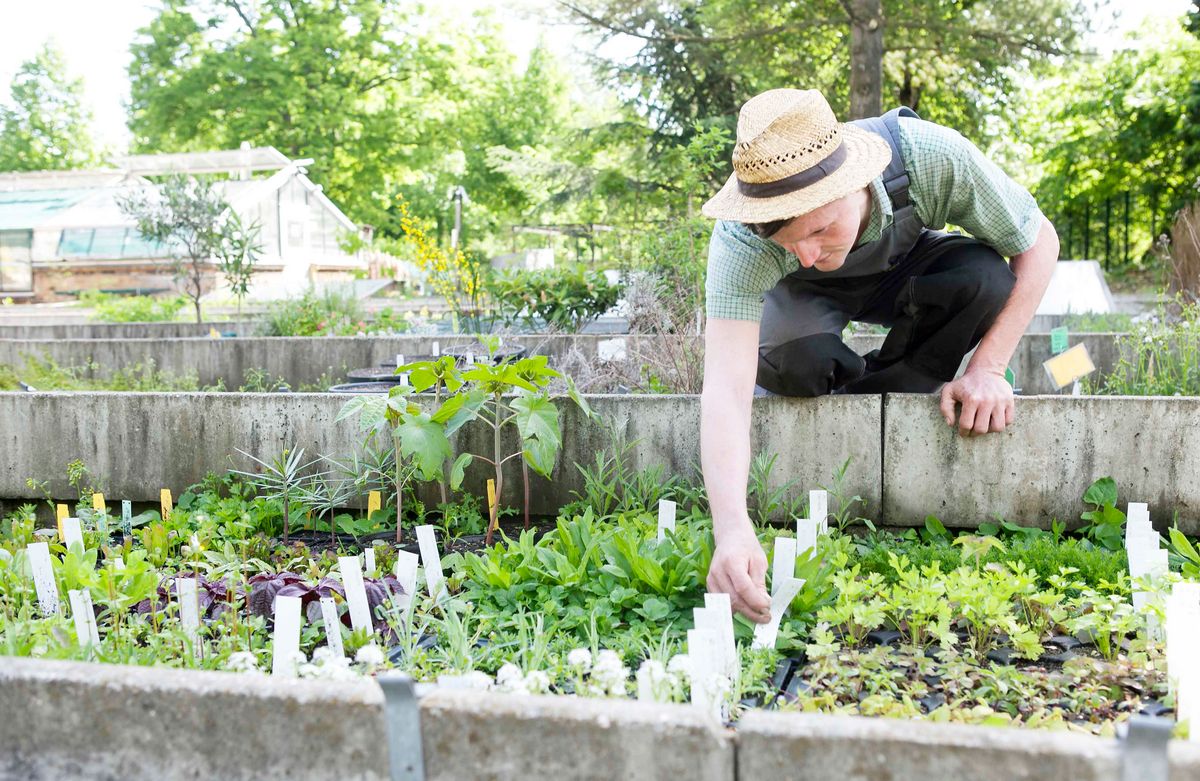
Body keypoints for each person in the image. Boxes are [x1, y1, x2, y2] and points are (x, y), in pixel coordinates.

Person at [699, 89, 1059, 622]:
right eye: (786, 239)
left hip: (908, 271)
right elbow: (726, 389)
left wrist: (987, 368)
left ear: (856, 182)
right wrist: (730, 527)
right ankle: (832, 371)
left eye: (820, 229)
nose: (806, 253)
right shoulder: (743, 238)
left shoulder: (931, 157)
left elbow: (1039, 242)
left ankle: (896, 383)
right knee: (795, 363)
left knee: (984, 277)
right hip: (802, 301)